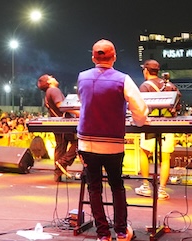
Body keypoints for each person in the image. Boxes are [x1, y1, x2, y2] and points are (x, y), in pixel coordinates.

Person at [77, 39, 148, 241]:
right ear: (114, 57)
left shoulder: (82, 77)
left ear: (93, 58)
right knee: (117, 186)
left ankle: (103, 234)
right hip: (112, 145)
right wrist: (139, 121)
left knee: (94, 188)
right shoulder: (123, 79)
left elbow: (84, 102)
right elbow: (140, 110)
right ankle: (121, 231)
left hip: (86, 142)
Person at [135, 59, 181, 200]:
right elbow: (178, 106)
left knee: (144, 152)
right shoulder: (170, 85)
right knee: (165, 158)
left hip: (150, 124)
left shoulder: (145, 86)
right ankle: (162, 190)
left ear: (146, 71)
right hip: (168, 125)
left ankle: (145, 186)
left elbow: (141, 107)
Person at [37, 74, 78, 182]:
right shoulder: (54, 90)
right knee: (79, 143)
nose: (53, 77)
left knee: (60, 147)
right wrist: (78, 113)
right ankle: (63, 162)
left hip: (58, 124)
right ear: (49, 82)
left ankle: (58, 173)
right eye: (51, 77)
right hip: (65, 124)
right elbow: (60, 105)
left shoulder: (47, 93)